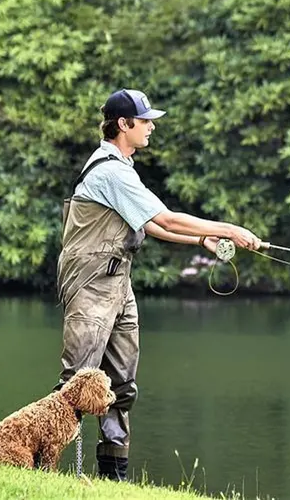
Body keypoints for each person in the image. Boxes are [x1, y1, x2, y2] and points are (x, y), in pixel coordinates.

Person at [54, 88, 262, 482]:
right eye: (145, 120)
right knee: (77, 382)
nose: (151, 127)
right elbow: (165, 218)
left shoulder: (123, 168)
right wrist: (229, 229)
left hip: (118, 282)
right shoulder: (111, 171)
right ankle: (43, 466)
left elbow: (149, 224)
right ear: (123, 124)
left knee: (121, 385)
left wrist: (200, 240)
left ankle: (113, 478)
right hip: (90, 282)